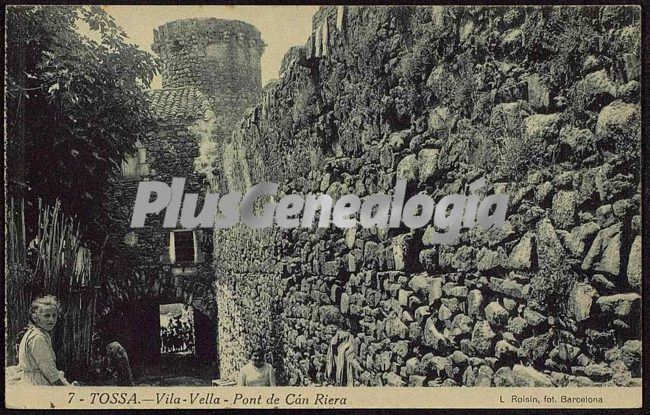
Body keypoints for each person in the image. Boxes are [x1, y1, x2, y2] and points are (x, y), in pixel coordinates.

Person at [17, 295, 71, 386]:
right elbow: (49, 371)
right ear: (35, 317)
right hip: (37, 383)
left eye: (54, 315)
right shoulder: (38, 338)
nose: (51, 319)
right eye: (46, 316)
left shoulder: (38, 333)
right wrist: (63, 389)